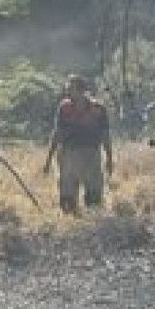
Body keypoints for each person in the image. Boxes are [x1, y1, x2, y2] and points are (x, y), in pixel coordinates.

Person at [43, 75, 113, 214]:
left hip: (91, 155)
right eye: (68, 89)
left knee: (93, 198)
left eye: (71, 89)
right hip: (69, 154)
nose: (68, 92)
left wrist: (110, 159)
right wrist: (49, 160)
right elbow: (57, 133)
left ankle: (92, 225)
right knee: (67, 198)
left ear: (81, 91)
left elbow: (105, 136)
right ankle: (70, 223)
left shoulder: (98, 110)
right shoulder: (64, 108)